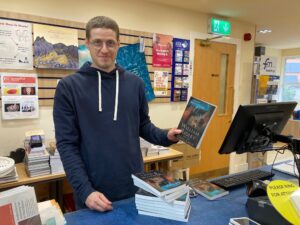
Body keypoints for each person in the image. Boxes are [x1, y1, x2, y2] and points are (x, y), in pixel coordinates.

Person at [53, 16, 181, 212]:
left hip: (133, 187)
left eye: (110, 43)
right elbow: (66, 145)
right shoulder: (68, 87)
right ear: (87, 43)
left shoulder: (135, 84)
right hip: (93, 195)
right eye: (97, 42)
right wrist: (85, 191)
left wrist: (166, 136)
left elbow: (142, 125)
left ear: (118, 45)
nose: (104, 49)